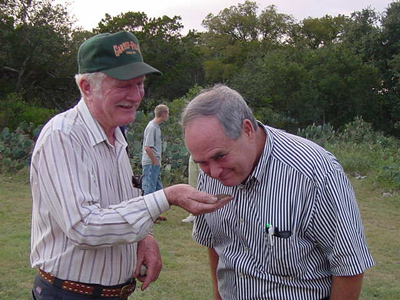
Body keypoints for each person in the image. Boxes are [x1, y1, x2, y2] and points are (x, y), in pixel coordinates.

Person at [30, 31, 232, 300]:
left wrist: (144, 237)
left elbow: (120, 204)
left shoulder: (115, 137)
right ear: (87, 87)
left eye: (139, 84)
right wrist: (167, 197)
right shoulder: (64, 136)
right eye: (123, 85)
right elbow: (83, 227)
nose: (136, 96)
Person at [181, 84, 375, 300]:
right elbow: (215, 243)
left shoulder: (313, 172)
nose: (213, 172)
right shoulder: (211, 170)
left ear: (247, 130)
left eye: (220, 156)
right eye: (202, 163)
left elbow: (349, 265)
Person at [141, 104, 169, 222]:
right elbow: (147, 147)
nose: (168, 116)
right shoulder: (152, 127)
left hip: (155, 164)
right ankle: (147, 216)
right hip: (150, 163)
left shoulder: (157, 127)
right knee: (149, 189)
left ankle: (155, 214)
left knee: (158, 189)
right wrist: (155, 161)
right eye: (167, 114)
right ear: (163, 114)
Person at [182, 155, 199, 223]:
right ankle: (193, 214)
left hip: (206, 152)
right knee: (192, 184)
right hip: (194, 153)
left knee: (206, 184)